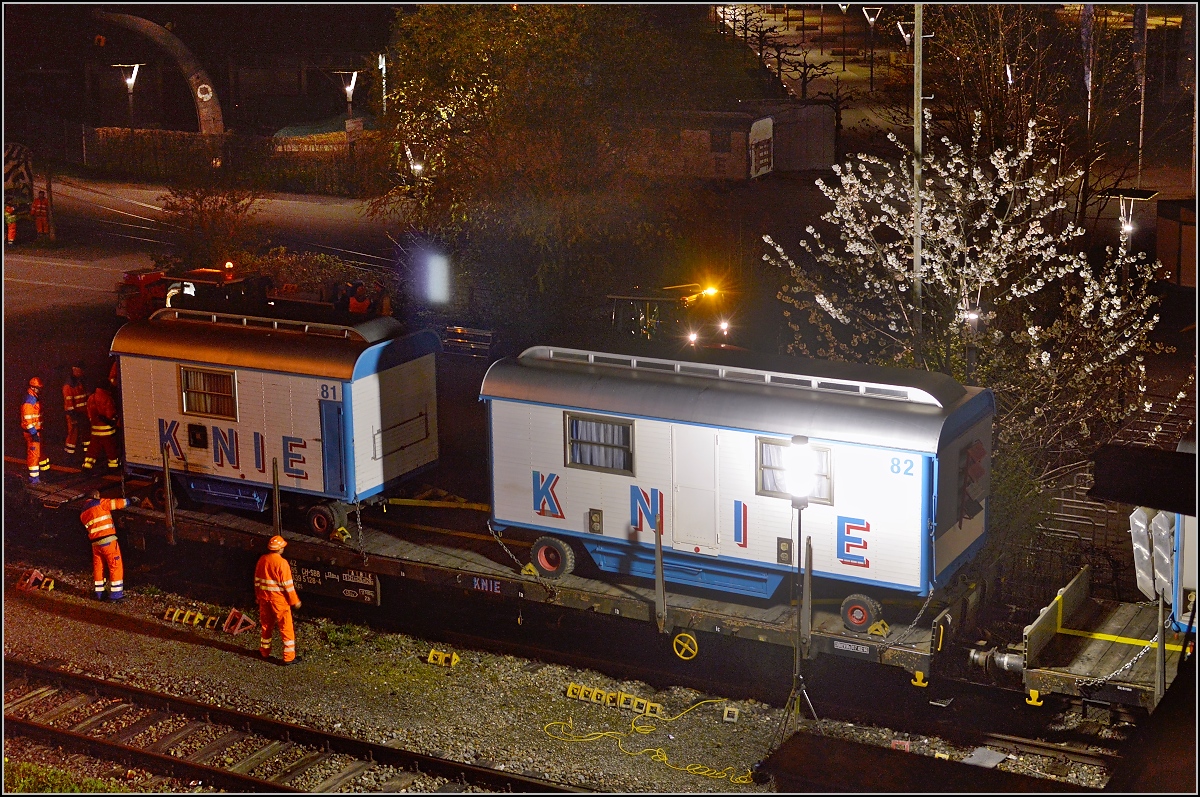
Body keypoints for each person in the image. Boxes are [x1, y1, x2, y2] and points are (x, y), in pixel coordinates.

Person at [80, 490, 139, 600]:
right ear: (96, 496)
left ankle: (99, 594)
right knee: (115, 566)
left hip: (95, 544)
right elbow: (116, 503)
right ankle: (116, 595)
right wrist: (130, 500)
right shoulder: (100, 503)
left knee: (99, 567)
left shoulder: (83, 513)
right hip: (108, 541)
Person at [255, 535, 303, 665]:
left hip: (265, 598)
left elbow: (257, 581)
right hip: (279, 601)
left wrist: (258, 597)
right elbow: (288, 586)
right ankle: (289, 657)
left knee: (266, 625)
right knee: (285, 627)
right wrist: (295, 601)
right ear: (280, 549)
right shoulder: (282, 563)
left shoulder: (262, 560)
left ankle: (264, 651)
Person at [82, 380, 120, 471]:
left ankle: (87, 465)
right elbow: (110, 414)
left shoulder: (92, 397)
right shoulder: (107, 398)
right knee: (110, 449)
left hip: (95, 430)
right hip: (107, 430)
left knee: (93, 449)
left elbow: (89, 413)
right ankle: (113, 466)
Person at [21, 377, 49, 483]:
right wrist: (33, 433)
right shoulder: (29, 401)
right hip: (32, 432)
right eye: (38, 388)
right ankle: (34, 479)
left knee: (41, 452)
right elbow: (27, 420)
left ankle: (45, 472)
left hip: (37, 431)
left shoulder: (34, 398)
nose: (40, 390)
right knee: (34, 455)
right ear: (33, 387)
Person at [62, 362, 89, 458]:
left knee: (85, 433)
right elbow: (69, 403)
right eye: (80, 370)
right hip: (74, 414)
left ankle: (87, 453)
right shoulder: (69, 386)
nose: (82, 372)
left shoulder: (80, 381)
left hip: (83, 413)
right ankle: (69, 456)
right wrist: (73, 416)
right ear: (75, 370)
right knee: (73, 433)